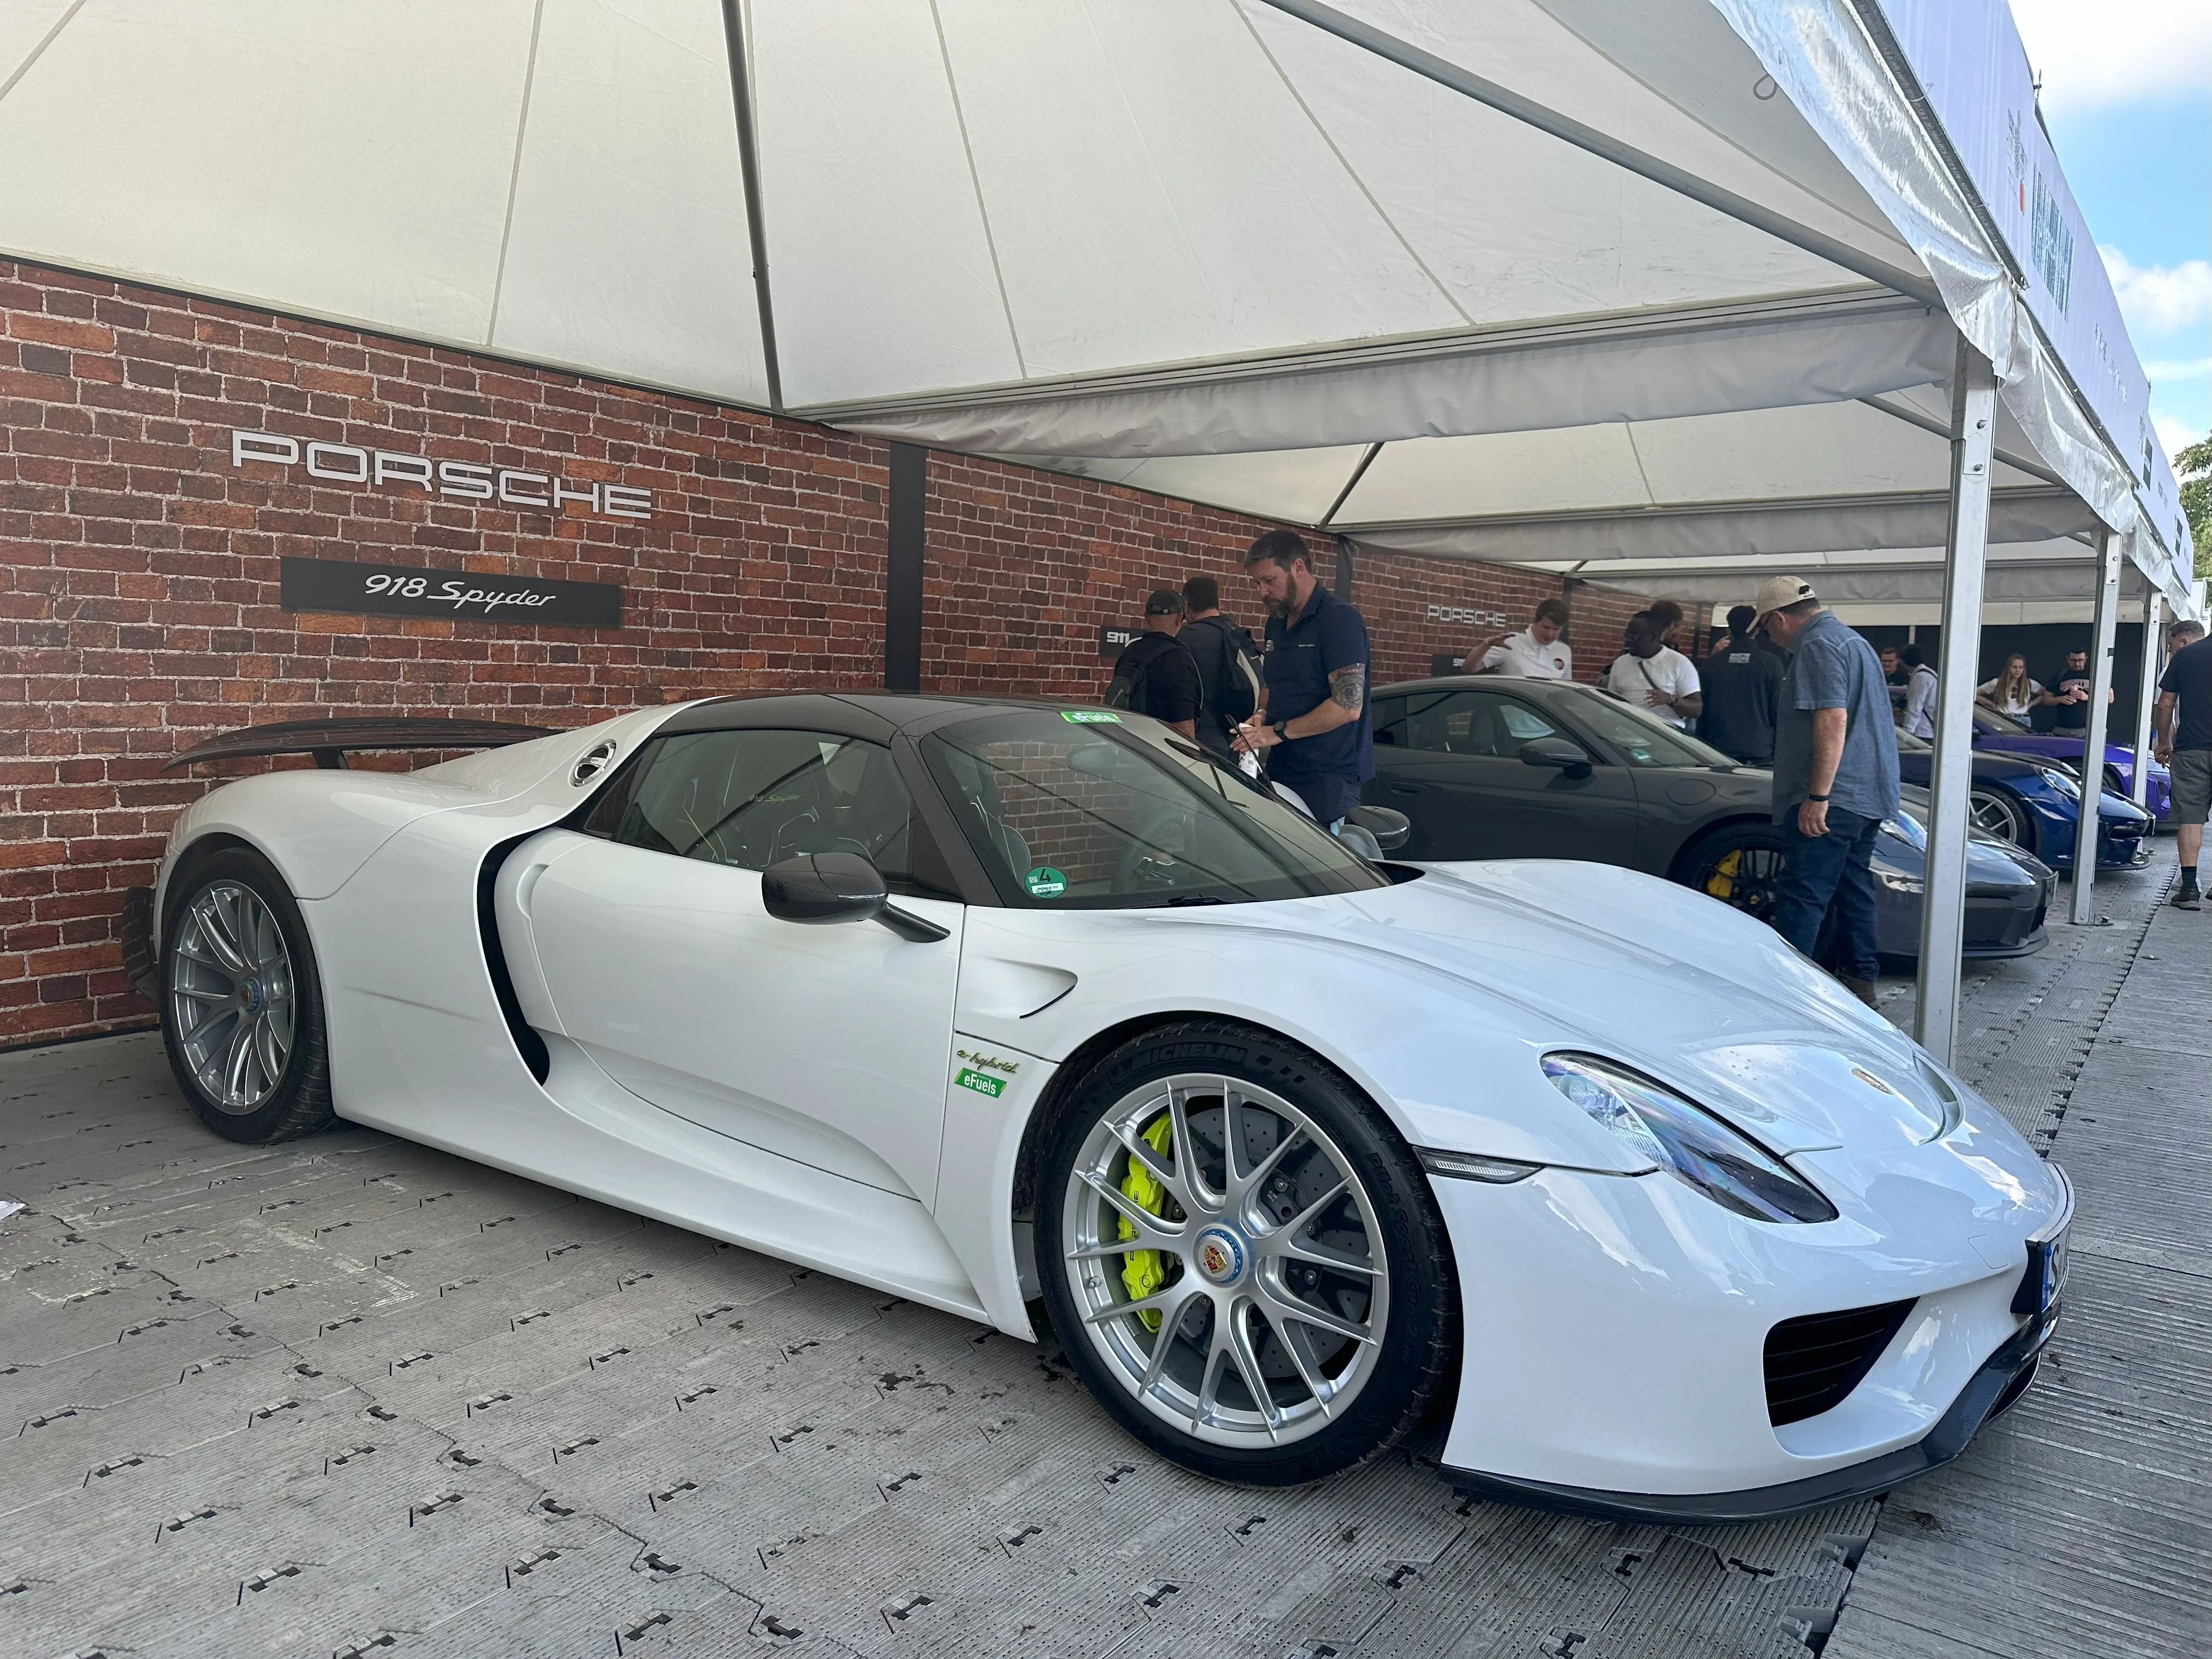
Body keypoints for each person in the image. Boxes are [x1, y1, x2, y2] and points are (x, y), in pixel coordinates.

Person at [1756, 575, 1900, 1008]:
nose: (1769, 638)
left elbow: (1832, 719)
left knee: (1803, 894)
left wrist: (1817, 797)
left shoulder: (1817, 647)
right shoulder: (1854, 642)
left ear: (1779, 618)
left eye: (1765, 628)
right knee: (1853, 888)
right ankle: (1861, 983)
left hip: (1835, 797)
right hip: (1866, 792)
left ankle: (1787, 996)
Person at [1232, 530, 1373, 829]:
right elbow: (1272, 684)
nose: (1262, 592)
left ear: (1298, 567)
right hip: (1284, 767)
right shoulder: (1277, 622)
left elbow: (1347, 707)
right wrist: (1261, 715)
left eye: (1270, 580)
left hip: (1328, 775)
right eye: (1257, 583)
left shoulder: (1339, 620)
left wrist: (1276, 733)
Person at [2152, 618, 2210, 911]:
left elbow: (2165, 705)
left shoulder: (2186, 656)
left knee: (2190, 819)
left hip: (2192, 750)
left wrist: (2164, 741)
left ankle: (2189, 889)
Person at [1177, 574, 1263, 761]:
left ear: (1187, 605)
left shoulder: (1186, 638)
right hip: (1240, 738)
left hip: (1203, 740)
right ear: (1216, 602)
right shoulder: (1236, 634)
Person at [1104, 588, 1202, 740]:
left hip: (1128, 745)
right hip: (1161, 752)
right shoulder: (1178, 658)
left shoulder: (1130, 652)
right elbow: (1183, 723)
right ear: (1179, 619)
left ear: (1147, 618)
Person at [1695, 603, 1783, 765]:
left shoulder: (1710, 664)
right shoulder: (1772, 664)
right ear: (1757, 630)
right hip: (1758, 749)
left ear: (1728, 630)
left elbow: (1700, 709)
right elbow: (1778, 710)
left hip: (1715, 748)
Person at [1601, 612, 1702, 728]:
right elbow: (1612, 702)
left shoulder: (1679, 663)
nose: (1628, 642)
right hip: (1625, 737)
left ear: (1653, 637)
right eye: (1626, 636)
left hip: (1665, 738)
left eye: (1634, 637)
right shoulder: (1620, 663)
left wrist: (1671, 700)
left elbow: (1696, 710)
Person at [1468, 596, 1573, 680]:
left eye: (1556, 630)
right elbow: (1469, 668)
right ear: (1535, 621)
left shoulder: (1564, 650)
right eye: (1546, 627)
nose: (1550, 634)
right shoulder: (1511, 641)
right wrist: (1486, 645)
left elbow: (1566, 689)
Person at [2038, 646, 2108, 732]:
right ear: (2067, 659)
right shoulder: (2060, 675)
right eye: (2073, 660)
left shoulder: (2095, 675)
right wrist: (2060, 699)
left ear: (2085, 659)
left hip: (2087, 729)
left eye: (2080, 660)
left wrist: (2087, 697)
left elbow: (2110, 698)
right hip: (2061, 728)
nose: (2077, 664)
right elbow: (2046, 700)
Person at [1977, 653, 2041, 719]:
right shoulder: (1997, 683)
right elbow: (1974, 693)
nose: (2018, 670)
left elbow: (2046, 694)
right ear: (2008, 668)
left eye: (2021, 667)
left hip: (2023, 719)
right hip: (2004, 719)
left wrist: (2031, 705)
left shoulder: (2029, 683)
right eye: (2014, 667)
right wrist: (1991, 704)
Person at [1898, 643, 1939, 741]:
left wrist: (1907, 735)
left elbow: (1914, 707)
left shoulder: (1920, 678)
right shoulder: (1931, 674)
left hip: (1922, 732)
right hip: (1931, 730)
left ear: (1905, 661)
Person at [1878, 645, 1909, 713]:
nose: (1887, 664)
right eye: (1884, 661)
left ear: (1897, 661)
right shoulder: (1875, 676)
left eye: (1890, 661)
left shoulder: (1905, 678)